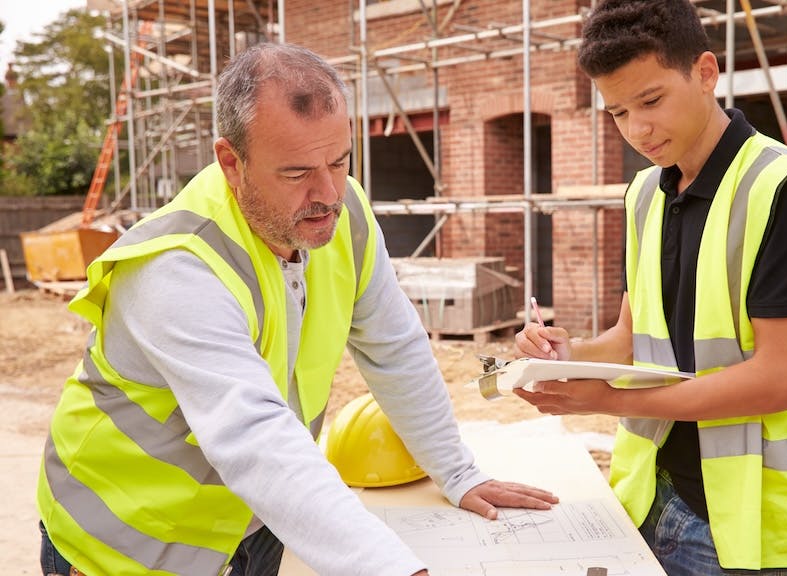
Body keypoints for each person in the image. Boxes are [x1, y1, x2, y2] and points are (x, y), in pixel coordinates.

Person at [37, 42, 557, 576]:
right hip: (126, 548)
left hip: (253, 529)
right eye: (296, 173)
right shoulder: (177, 266)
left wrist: (457, 472)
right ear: (230, 163)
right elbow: (256, 437)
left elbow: (397, 348)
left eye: (339, 160)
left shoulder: (344, 214)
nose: (328, 192)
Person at [513, 1, 787, 575]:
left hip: (736, 522)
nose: (637, 129)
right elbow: (632, 336)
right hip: (648, 492)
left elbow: (777, 381)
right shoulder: (644, 194)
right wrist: (568, 357)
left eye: (651, 101)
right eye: (617, 112)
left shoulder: (784, 188)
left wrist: (608, 401)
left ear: (705, 72)